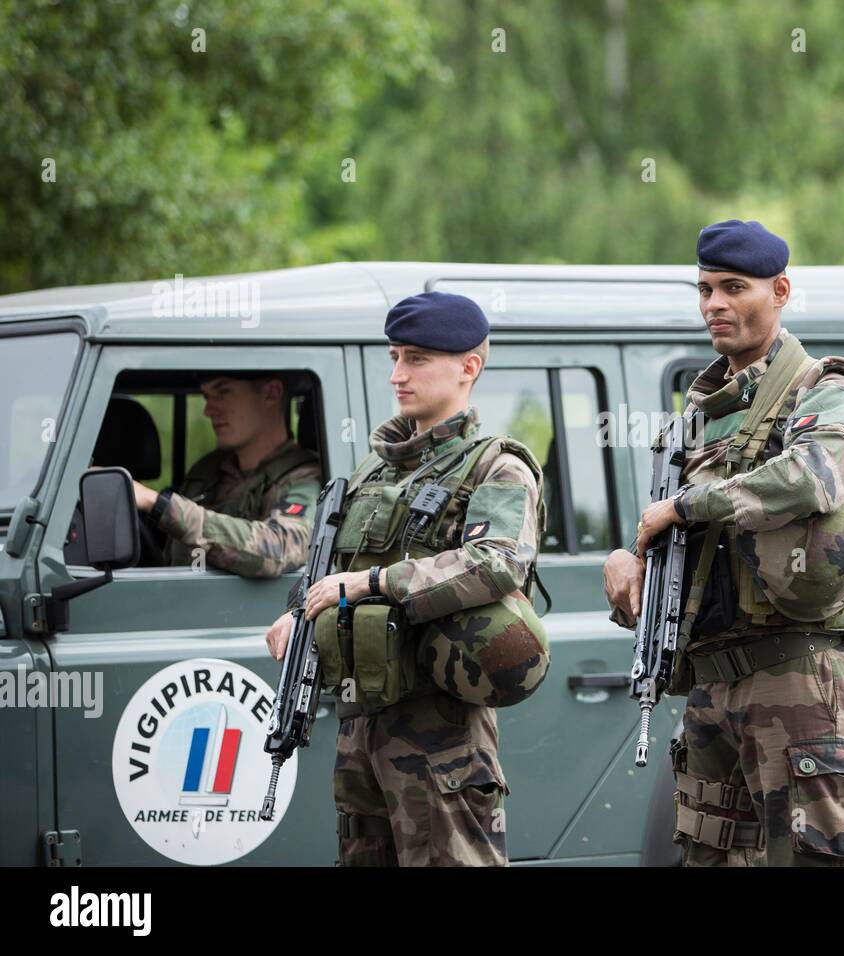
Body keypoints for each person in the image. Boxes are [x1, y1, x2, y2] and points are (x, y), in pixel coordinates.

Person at [603, 219, 844, 866]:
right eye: (705, 289)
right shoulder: (697, 419)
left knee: (816, 856)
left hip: (795, 675)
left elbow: (815, 476)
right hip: (710, 685)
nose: (714, 304)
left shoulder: (827, 386)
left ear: (780, 291)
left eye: (734, 288)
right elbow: (665, 540)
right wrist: (629, 563)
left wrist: (685, 505)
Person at [265, 291, 549, 866]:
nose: (398, 374)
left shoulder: (496, 464)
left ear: (468, 367)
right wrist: (298, 613)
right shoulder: (372, 469)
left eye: (416, 358)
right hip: (361, 721)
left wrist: (375, 583)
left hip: (440, 728)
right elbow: (330, 571)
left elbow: (497, 561)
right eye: (394, 356)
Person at [132, 373, 321, 577]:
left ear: (271, 393)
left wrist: (159, 504)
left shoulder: (303, 478)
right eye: (206, 397)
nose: (208, 410)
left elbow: (279, 549)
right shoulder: (206, 473)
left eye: (223, 392)